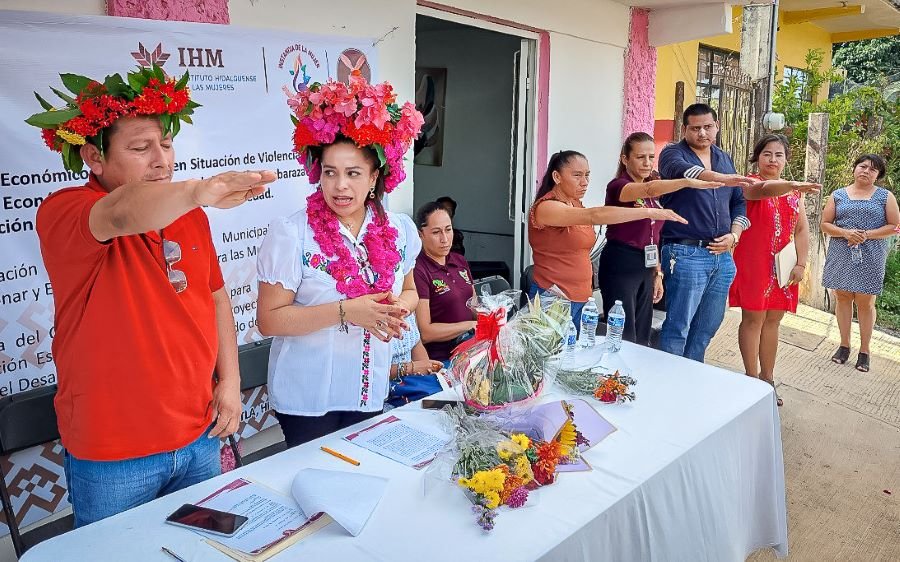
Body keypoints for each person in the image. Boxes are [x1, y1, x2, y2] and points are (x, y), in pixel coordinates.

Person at [29, 65, 274, 526]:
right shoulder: (67, 210)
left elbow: (216, 298)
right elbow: (121, 213)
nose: (161, 159)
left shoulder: (189, 213)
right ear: (94, 158)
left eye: (165, 144)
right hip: (114, 453)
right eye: (141, 148)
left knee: (202, 552)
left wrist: (229, 382)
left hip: (199, 433)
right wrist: (202, 190)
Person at [256, 75, 424, 447]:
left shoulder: (398, 229)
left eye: (353, 174)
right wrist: (348, 311)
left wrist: (395, 308)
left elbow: (411, 291)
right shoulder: (291, 233)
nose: (340, 186)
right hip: (308, 398)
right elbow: (269, 320)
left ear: (374, 177)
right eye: (330, 173)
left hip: (369, 387)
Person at [528, 150, 687, 327]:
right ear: (557, 177)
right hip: (554, 299)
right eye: (577, 175)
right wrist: (649, 212)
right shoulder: (546, 207)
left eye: (587, 175)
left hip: (581, 298)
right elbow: (595, 215)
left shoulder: (574, 203)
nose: (585, 182)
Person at [599, 132, 725, 346]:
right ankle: (615, 378)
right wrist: (688, 182)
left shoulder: (652, 190)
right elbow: (647, 188)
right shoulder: (619, 186)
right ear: (625, 159)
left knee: (642, 333)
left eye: (651, 157)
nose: (647, 163)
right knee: (623, 332)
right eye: (640, 157)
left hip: (645, 263)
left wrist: (657, 273)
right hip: (621, 262)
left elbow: (653, 237)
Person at [729, 135, 821, 405]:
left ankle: (767, 379)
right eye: (766, 154)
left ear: (786, 159)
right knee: (753, 320)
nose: (772, 159)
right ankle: (750, 380)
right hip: (754, 263)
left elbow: (802, 229)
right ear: (757, 157)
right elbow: (764, 191)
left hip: (784, 266)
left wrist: (801, 263)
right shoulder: (750, 184)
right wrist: (792, 185)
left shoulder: (795, 194)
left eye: (778, 155)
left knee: (773, 322)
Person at [822, 154, 900, 373]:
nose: (866, 171)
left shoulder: (885, 196)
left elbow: (895, 225)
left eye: (873, 169)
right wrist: (846, 233)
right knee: (843, 297)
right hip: (842, 251)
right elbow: (825, 224)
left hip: (871, 252)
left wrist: (867, 234)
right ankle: (844, 345)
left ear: (878, 176)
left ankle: (865, 350)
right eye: (863, 166)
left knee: (865, 301)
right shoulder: (837, 195)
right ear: (855, 168)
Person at [414, 201, 477, 364]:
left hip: (472, 351)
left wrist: (492, 315)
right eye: (436, 232)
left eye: (448, 230)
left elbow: (474, 306)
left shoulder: (459, 261)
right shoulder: (419, 270)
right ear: (421, 235)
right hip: (443, 361)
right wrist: (469, 325)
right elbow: (425, 332)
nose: (445, 239)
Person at [386, 314, 445, 409]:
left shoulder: (404, 308)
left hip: (411, 387)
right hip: (383, 397)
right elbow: (361, 374)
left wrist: (428, 371)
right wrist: (409, 368)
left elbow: (415, 342)